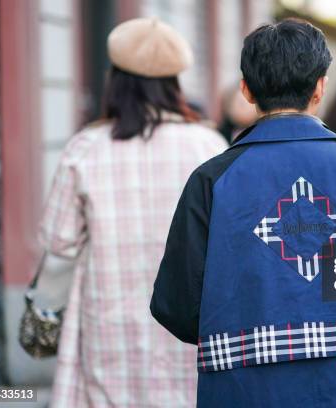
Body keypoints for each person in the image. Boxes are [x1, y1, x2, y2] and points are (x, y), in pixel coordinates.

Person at [151, 18, 336, 407]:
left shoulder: (212, 181)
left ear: (247, 90)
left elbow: (175, 306)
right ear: (320, 87)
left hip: (246, 392)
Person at [39, 18, 228, 407]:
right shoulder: (208, 145)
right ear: (175, 82)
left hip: (108, 325)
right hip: (186, 326)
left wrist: (43, 312)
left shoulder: (86, 147)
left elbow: (60, 243)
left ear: (115, 80)